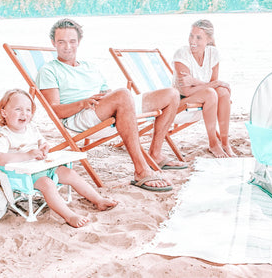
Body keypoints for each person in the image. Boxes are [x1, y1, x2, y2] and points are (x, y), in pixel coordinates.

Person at [36, 18, 186, 193]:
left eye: (72, 41)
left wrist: (110, 96)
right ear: (53, 43)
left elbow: (105, 91)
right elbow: (55, 111)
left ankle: (155, 153)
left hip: (104, 107)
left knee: (171, 94)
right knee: (123, 94)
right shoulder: (48, 70)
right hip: (80, 115)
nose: (67, 46)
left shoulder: (89, 66)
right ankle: (141, 170)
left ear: (79, 42)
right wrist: (83, 103)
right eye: (61, 42)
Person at [0, 89, 118, 228]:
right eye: (18, 109)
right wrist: (28, 155)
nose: (24, 114)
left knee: (69, 173)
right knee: (48, 185)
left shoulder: (32, 129)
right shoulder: (3, 135)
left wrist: (44, 147)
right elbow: (0, 159)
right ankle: (69, 216)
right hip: (24, 175)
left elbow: (42, 142)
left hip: (42, 166)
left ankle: (98, 200)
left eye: (28, 110)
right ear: (4, 113)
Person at [172, 19, 235, 158]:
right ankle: (213, 143)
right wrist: (211, 84)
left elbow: (215, 85)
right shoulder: (181, 54)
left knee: (223, 93)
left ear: (209, 39)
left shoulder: (213, 53)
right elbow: (187, 91)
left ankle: (225, 143)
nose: (192, 41)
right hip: (181, 101)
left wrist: (195, 81)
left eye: (198, 37)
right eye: (191, 35)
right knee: (210, 93)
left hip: (204, 97)